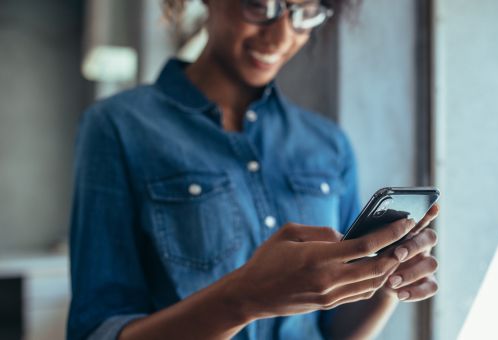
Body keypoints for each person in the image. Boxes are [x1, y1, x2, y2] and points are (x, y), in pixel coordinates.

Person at [67, 0, 440, 339]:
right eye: (259, 6)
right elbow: (97, 332)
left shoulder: (327, 143)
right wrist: (244, 298)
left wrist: (385, 281)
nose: (280, 36)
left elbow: (333, 328)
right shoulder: (118, 127)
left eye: (304, 14)